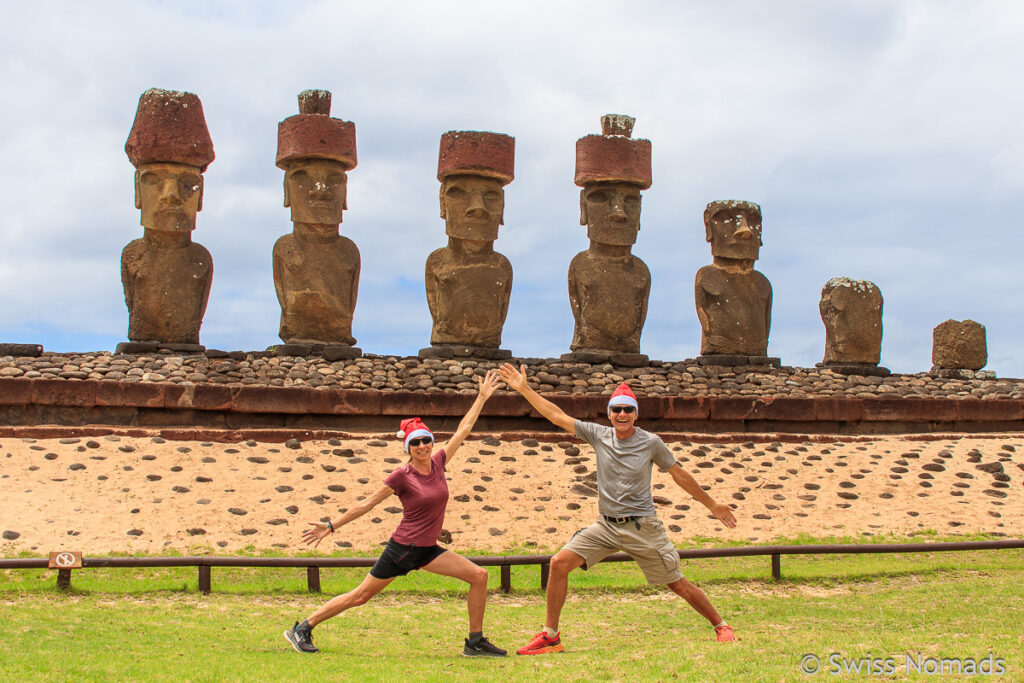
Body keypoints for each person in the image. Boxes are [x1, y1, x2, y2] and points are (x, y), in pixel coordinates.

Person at [496, 363, 739, 654]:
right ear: (609, 413)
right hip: (606, 526)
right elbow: (556, 415)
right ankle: (551, 636)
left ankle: (721, 625)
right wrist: (524, 389)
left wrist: (712, 504)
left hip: (643, 527)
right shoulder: (599, 435)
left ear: (635, 414)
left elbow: (678, 473)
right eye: (616, 410)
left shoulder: (651, 443)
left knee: (676, 583)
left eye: (627, 410)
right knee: (558, 563)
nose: (621, 415)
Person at [284, 369, 507, 657]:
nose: (422, 446)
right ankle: (303, 627)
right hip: (403, 549)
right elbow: (367, 503)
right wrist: (331, 525)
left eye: (426, 440)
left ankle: (474, 643)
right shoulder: (401, 475)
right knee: (360, 596)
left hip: (427, 549)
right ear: (408, 448)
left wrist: (482, 397)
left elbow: (463, 430)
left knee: (479, 576)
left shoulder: (439, 461)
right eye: (415, 443)